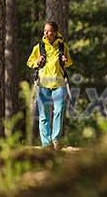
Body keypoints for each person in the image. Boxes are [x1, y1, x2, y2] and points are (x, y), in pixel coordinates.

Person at [27, 21, 73, 150]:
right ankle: (46, 144)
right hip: (43, 83)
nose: (46, 33)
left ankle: (56, 140)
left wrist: (66, 61)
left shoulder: (63, 46)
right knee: (44, 114)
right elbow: (29, 62)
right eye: (45, 31)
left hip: (59, 83)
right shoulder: (39, 47)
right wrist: (37, 61)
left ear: (56, 32)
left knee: (59, 110)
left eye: (49, 31)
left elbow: (69, 62)